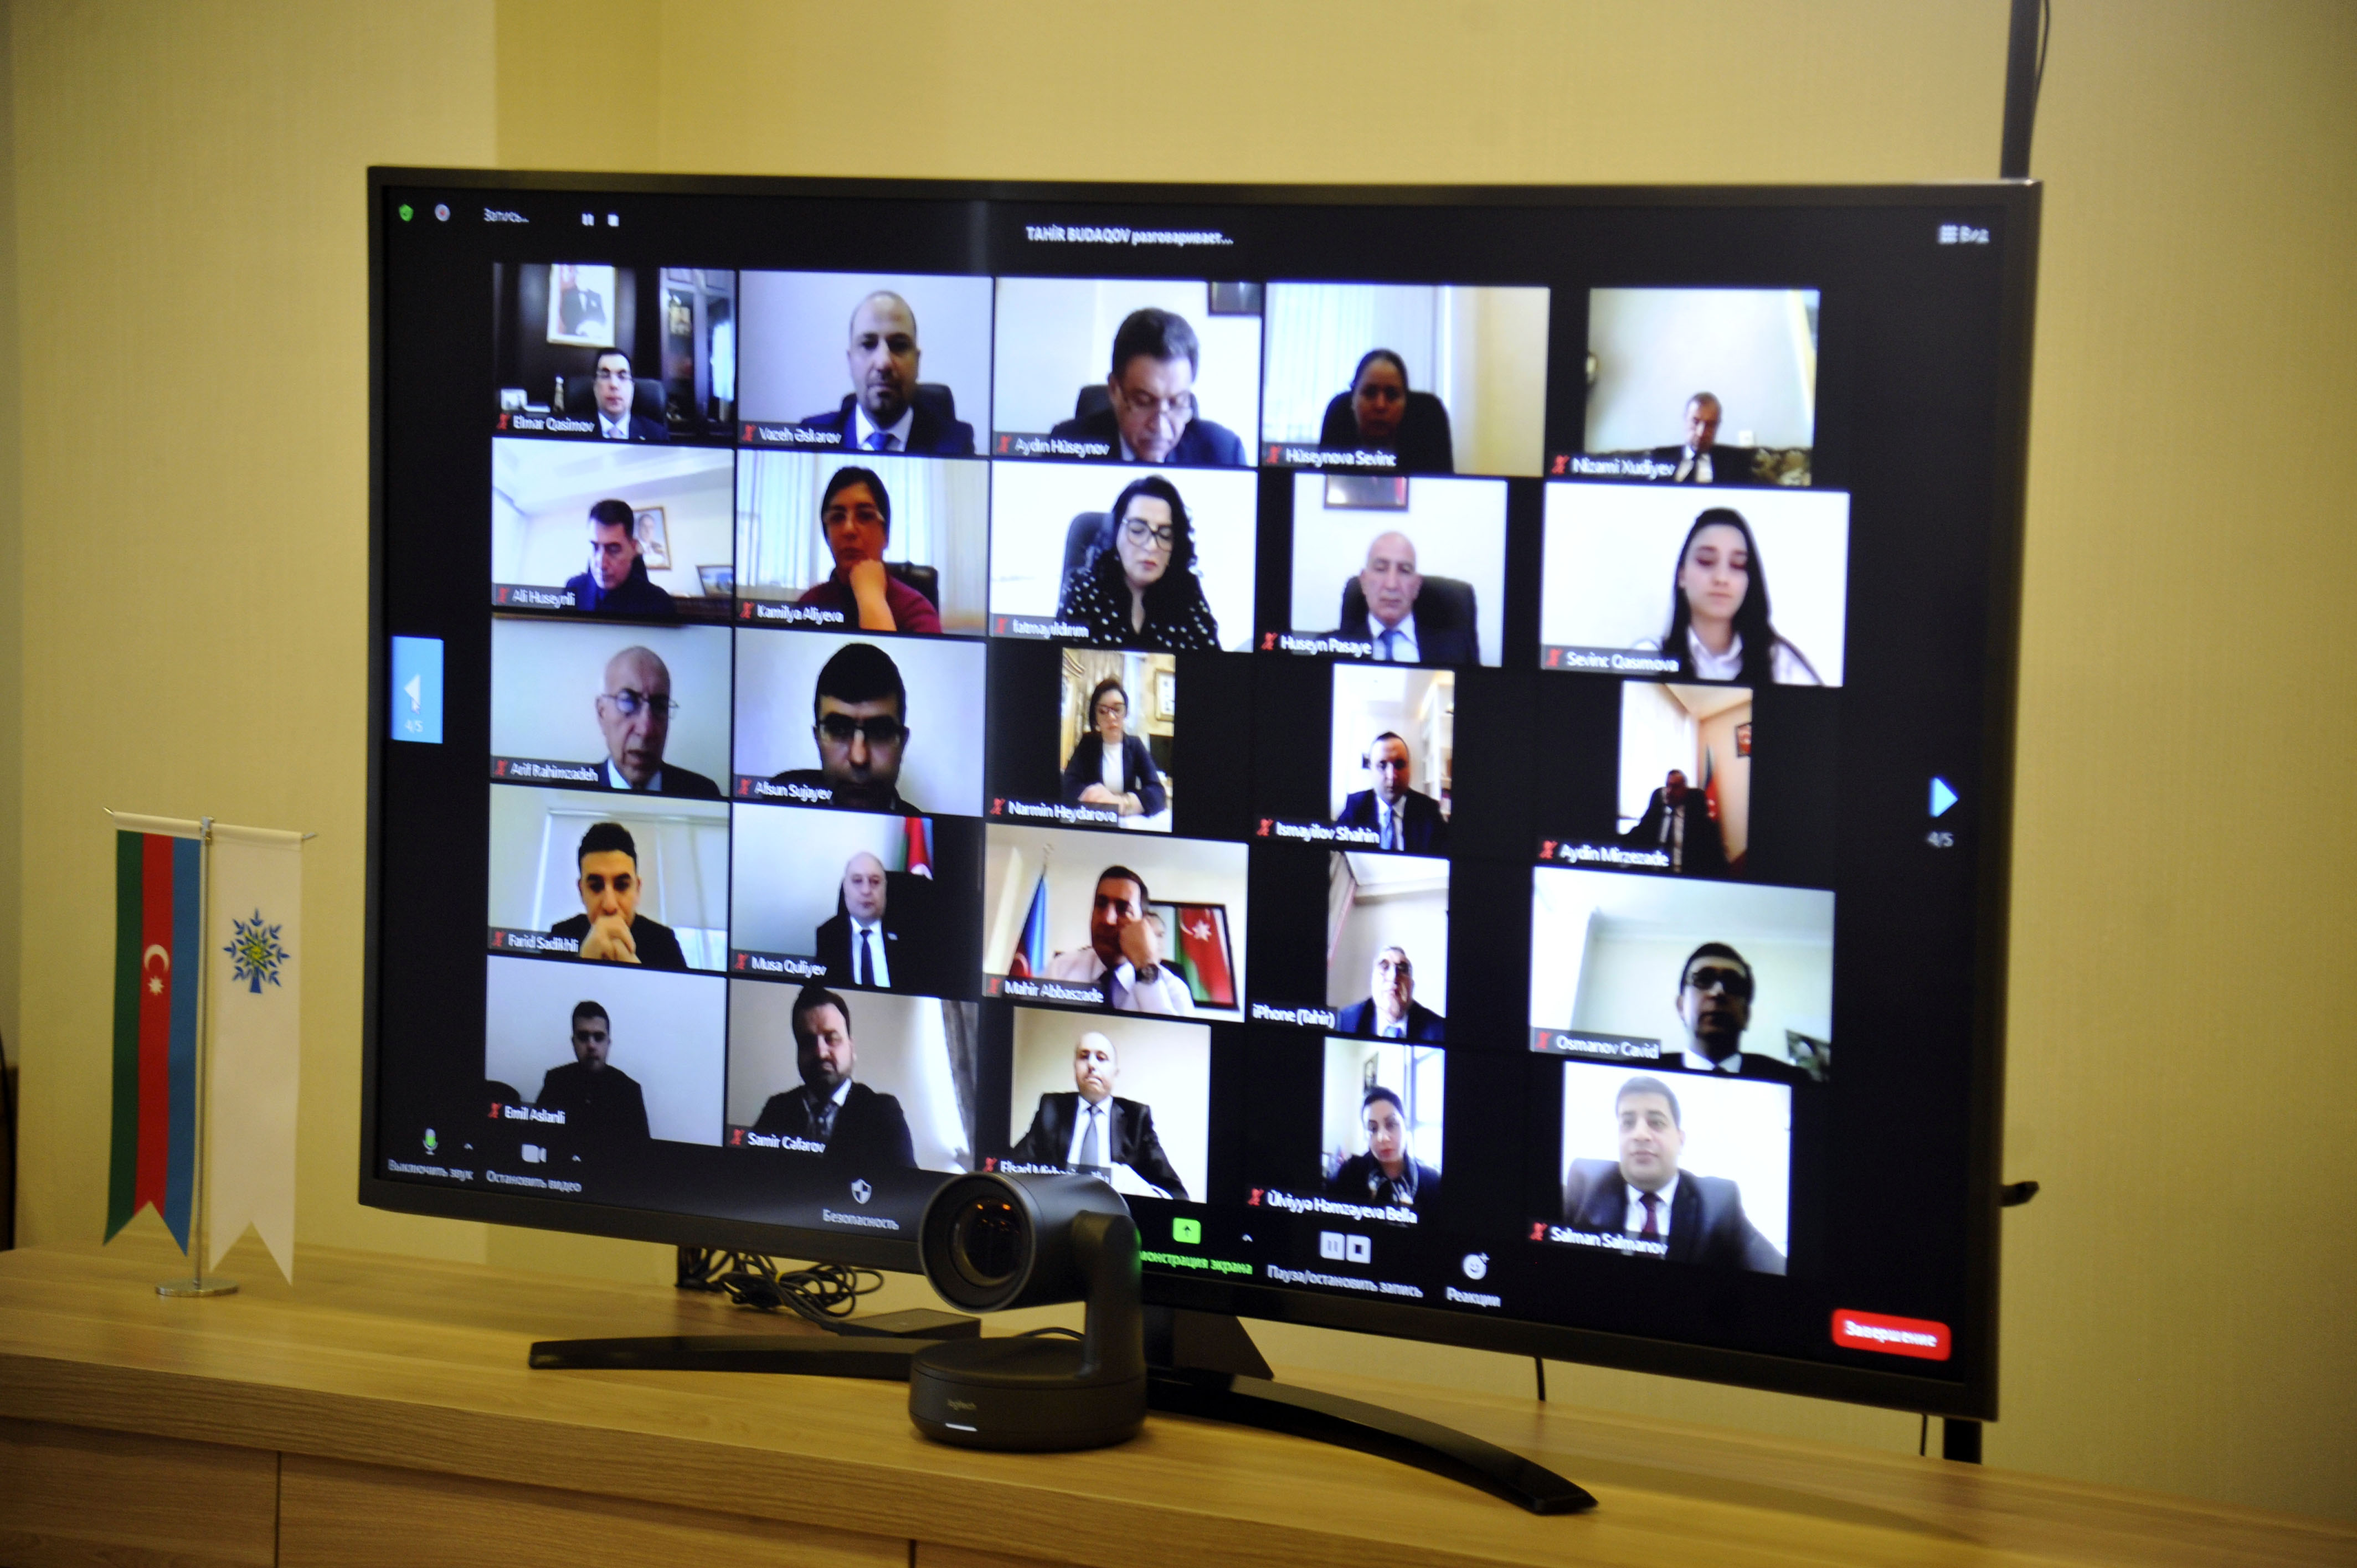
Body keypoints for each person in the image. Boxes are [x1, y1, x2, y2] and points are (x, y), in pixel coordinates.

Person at [1561, 1075, 1785, 1273]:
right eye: (1628, 1123)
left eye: (1656, 1123)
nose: (1640, 1134)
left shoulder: (1719, 1203)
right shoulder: (1585, 1183)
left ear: (1681, 1140)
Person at [1634, 508, 1820, 685]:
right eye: (1706, 561)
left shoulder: (1781, 664)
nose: (1722, 578)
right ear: (1681, 575)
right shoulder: (1649, 657)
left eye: (1738, 565)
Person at [1049, 307, 1244, 466]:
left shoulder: (1224, 453)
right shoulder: (1067, 445)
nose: (1160, 426)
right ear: (1115, 390)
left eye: (1177, 403)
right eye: (1144, 402)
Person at [1007, 1030, 1188, 1198]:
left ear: (1115, 1072)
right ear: (1075, 1067)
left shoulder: (1137, 1117)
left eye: (1101, 1058)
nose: (1092, 1065)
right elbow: (1012, 1169)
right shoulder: (1051, 1107)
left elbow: (1177, 1194)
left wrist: (1137, 1187)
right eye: (1084, 1056)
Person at [750, 987, 917, 1167]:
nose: (820, 1052)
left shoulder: (883, 1113)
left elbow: (905, 1182)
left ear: (851, 1048)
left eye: (832, 1038)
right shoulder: (776, 1110)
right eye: (807, 1042)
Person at [1053, 475, 1222, 651]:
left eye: (1165, 535)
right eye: (1137, 530)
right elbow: (1058, 658)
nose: (1151, 546)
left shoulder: (1187, 591)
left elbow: (1210, 662)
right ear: (1116, 533)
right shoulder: (1082, 586)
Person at [798, 291, 975, 455]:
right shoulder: (812, 436)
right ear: (850, 361)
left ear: (917, 362)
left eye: (899, 345)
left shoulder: (956, 444)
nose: (883, 363)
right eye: (868, 344)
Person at [768, 642, 921, 812]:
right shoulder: (778, 806)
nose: (859, 758)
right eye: (839, 730)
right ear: (818, 739)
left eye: (880, 732)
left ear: (903, 743)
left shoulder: (928, 827)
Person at [792, 466, 943, 635]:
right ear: (827, 536)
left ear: (886, 536)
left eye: (865, 516)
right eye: (837, 517)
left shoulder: (916, 611)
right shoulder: (810, 604)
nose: (849, 529)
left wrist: (871, 597)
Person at [1042, 865, 1196, 1014]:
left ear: (1144, 926)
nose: (1107, 919)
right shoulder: (1059, 971)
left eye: (1123, 909)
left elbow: (1166, 1032)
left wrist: (1145, 971)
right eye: (1101, 905)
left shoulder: (1174, 992)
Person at [579, 645, 721, 798]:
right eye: (628, 702)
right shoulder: (575, 790)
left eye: (660, 706)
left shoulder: (704, 792)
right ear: (602, 713)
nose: (646, 730)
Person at [547, 821, 689, 969]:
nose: (610, 906)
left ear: (637, 889)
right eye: (596, 886)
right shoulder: (561, 935)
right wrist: (583, 963)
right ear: (582, 892)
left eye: (622, 886)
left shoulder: (664, 942)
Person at [1666, 942, 1808, 1082]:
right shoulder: (1654, 1070)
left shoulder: (1793, 1079)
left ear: (1747, 1014)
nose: (1718, 992)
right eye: (1704, 979)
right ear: (1681, 1007)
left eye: (1733, 983)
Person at [1334, 531, 1477, 665]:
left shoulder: (1456, 650)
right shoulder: (1332, 647)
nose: (1391, 585)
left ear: (1416, 586)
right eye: (1381, 569)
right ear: (1364, 582)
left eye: (1404, 571)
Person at [533, 1000, 652, 1156]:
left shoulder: (629, 1091)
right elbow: (534, 1139)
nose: (591, 1045)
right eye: (583, 1037)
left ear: (608, 1043)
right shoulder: (556, 1082)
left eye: (599, 1037)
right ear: (573, 1042)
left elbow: (642, 1155)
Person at [1318, 349, 1455, 473]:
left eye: (1392, 395)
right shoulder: (1339, 415)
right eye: (1370, 393)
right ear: (1353, 400)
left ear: (1406, 402)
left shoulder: (1429, 419)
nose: (1381, 405)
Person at [813, 850, 930, 991]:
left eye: (875, 882)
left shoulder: (912, 934)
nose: (866, 890)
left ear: (885, 889)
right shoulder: (828, 935)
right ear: (846, 889)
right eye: (858, 881)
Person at [1059, 677, 1166, 820]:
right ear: (1096, 717)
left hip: (1125, 821)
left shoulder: (1135, 745)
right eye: (1103, 711)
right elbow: (1068, 785)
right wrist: (1095, 798)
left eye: (1117, 709)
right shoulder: (1088, 743)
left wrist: (1123, 803)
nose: (1111, 717)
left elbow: (1158, 793)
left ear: (1125, 713)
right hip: (1095, 819)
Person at [1325, 1086, 1441, 1209]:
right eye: (1373, 1129)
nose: (1383, 1138)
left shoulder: (1432, 1182)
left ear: (1405, 1126)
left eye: (1391, 1124)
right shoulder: (1348, 1174)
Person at [1334, 733, 1449, 852]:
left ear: (1409, 769)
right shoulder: (1355, 806)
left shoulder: (1429, 810)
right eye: (1382, 766)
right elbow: (1336, 848)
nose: (1392, 776)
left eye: (1400, 765)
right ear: (1371, 770)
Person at [563, 498, 677, 618]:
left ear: (633, 549)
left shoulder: (659, 603)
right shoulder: (573, 588)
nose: (601, 564)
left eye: (613, 550)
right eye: (595, 547)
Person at [1623, 768, 1728, 876]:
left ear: (1685, 790)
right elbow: (1637, 836)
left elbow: (1714, 854)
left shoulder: (1698, 819)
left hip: (1686, 876)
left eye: (1675, 787)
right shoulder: (1655, 814)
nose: (1670, 792)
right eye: (1668, 786)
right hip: (1657, 875)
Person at [1644, 393, 1759, 486]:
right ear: (1685, 419)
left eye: (1710, 425)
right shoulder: (1660, 458)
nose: (1701, 432)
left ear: (1718, 426)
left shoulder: (1738, 462)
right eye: (1695, 422)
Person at [1334, 946, 1445, 1041]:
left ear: (1412, 986)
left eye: (1402, 969)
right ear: (1373, 981)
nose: (1393, 977)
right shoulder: (1345, 1021)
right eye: (1384, 967)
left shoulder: (1440, 1031)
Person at [586, 348, 667, 442]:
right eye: (605, 376)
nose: (614, 385)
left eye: (622, 376)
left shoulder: (657, 435)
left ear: (632, 387)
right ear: (595, 386)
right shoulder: (575, 429)